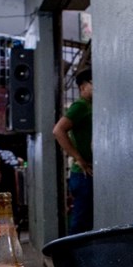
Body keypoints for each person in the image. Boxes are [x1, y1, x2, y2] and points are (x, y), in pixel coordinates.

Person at [53, 68, 94, 234]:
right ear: (83, 87)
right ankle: (72, 259)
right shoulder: (80, 106)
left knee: (85, 222)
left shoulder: (90, 107)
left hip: (86, 174)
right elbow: (58, 130)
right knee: (81, 225)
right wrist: (79, 158)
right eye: (94, 84)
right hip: (84, 174)